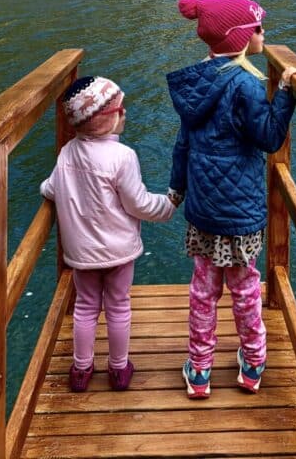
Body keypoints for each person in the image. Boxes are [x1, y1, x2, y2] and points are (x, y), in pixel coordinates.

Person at [166, 0, 296, 399]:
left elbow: (182, 146)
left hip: (204, 210)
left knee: (203, 291)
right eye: (257, 27)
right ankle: (253, 362)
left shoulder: (196, 83)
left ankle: (201, 369)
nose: (263, 33)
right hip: (241, 212)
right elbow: (269, 138)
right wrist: (287, 95)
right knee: (245, 290)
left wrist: (178, 189)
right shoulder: (246, 83)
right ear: (239, 38)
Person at [40, 75, 175, 392]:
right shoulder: (123, 157)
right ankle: (118, 368)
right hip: (118, 251)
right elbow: (139, 203)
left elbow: (49, 188)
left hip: (81, 254)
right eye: (120, 109)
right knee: (118, 306)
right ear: (104, 118)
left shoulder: (66, 155)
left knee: (85, 307)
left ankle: (81, 369)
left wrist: (52, 191)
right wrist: (168, 205)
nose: (124, 113)